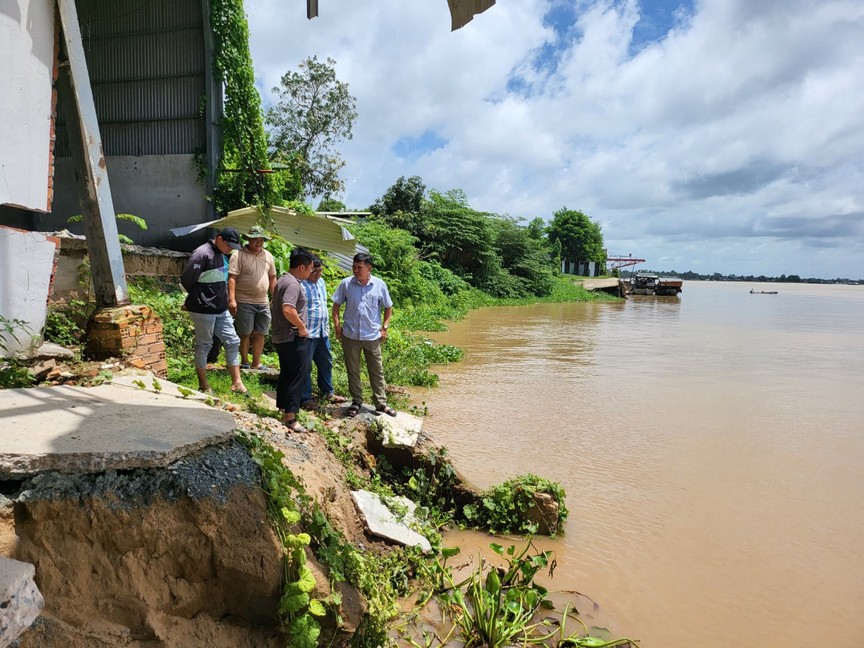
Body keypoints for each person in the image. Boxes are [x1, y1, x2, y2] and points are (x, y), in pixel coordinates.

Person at [180, 227, 247, 394]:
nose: (230, 248)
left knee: (232, 341)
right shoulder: (202, 253)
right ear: (219, 239)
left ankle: (237, 383)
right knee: (204, 344)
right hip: (202, 309)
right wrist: (197, 298)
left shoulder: (222, 254)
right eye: (229, 245)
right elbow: (186, 281)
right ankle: (203, 385)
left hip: (221, 308)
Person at [331, 252, 396, 418]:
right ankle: (356, 402)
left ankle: (381, 403)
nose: (356, 270)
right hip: (350, 335)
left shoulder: (379, 285)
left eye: (359, 267)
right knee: (353, 370)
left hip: (372, 336)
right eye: (354, 266)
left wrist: (385, 327)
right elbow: (336, 306)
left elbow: (388, 307)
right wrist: (337, 326)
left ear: (369, 268)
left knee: (377, 370)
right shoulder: (346, 284)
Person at [271, 247, 315, 433]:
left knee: (287, 374)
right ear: (303, 267)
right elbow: (288, 309)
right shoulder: (293, 284)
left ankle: (283, 409)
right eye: (311, 268)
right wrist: (302, 327)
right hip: (292, 337)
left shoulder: (282, 280)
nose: (312, 271)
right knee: (298, 375)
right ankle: (291, 418)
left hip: (281, 337)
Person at [299, 256, 348, 409]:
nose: (319, 274)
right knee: (306, 366)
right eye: (315, 271)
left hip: (322, 331)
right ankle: (305, 398)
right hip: (308, 332)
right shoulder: (300, 285)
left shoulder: (321, 282)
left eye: (321, 271)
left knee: (326, 362)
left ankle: (328, 392)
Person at [227, 225, 277, 370]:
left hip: (263, 302)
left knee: (261, 332)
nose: (259, 242)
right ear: (248, 239)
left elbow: (273, 278)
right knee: (245, 333)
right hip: (244, 301)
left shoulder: (268, 255)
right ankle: (244, 361)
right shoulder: (238, 254)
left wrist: (276, 298)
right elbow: (232, 278)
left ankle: (257, 362)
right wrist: (232, 299)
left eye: (261, 239)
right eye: (255, 239)